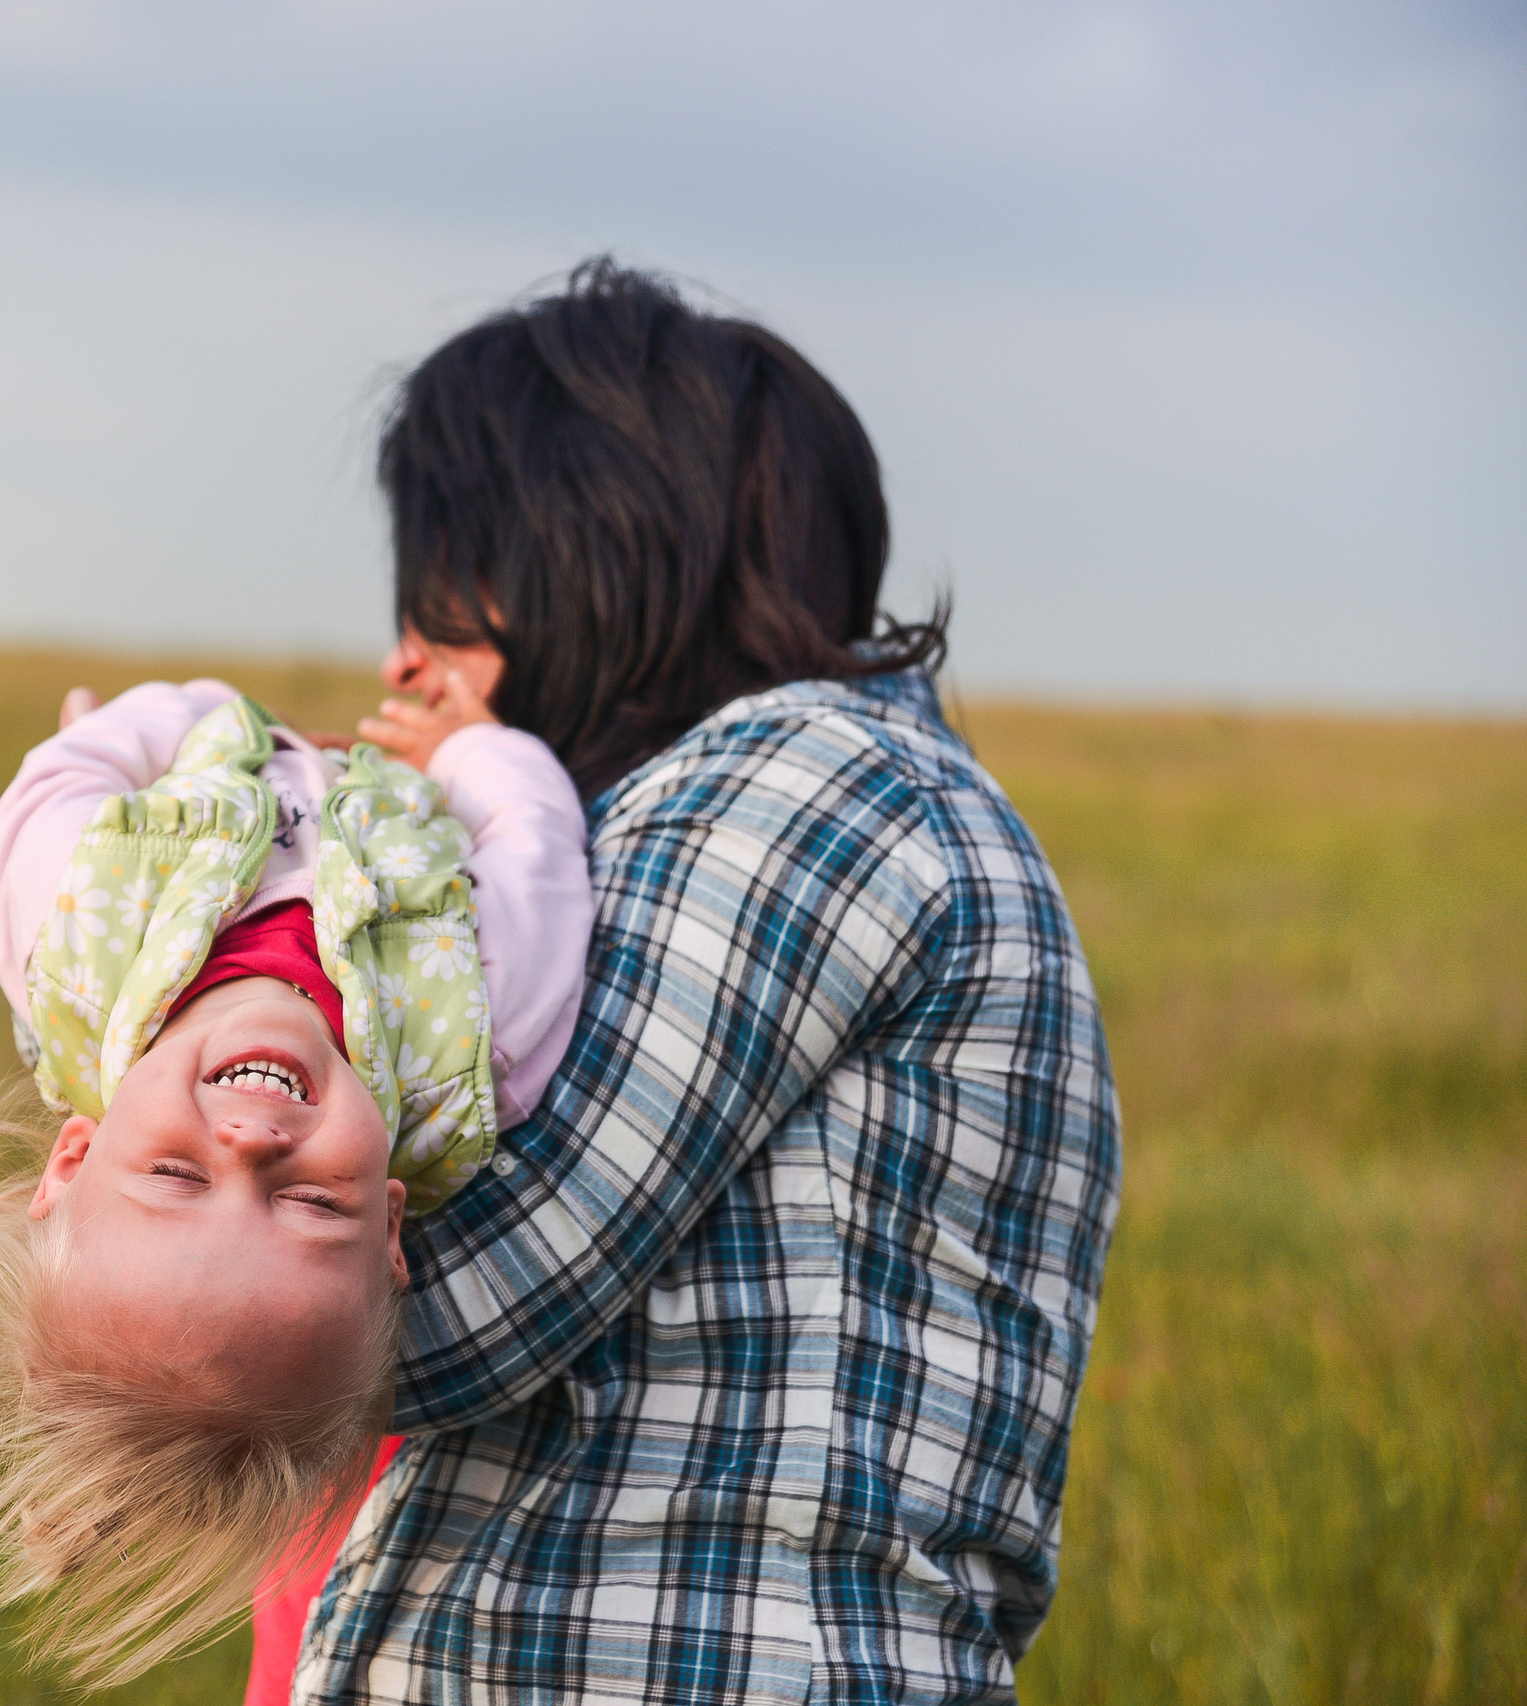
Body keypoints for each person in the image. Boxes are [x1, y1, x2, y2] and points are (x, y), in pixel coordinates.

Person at [267, 260, 1120, 1704]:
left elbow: (464, 1297)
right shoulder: (777, 807)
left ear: (585, 551)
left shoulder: (813, 782)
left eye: (446, 595)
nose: (406, 655)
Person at [0, 671, 593, 1687]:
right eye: (313, 1202)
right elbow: (537, 846)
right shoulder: (475, 1044)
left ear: (73, 1154)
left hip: (225, 749)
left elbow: (61, 775)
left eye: (175, 1173)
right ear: (388, 1228)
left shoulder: (65, 939)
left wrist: (180, 723)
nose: (248, 1141)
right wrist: (463, 749)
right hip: (401, 775)